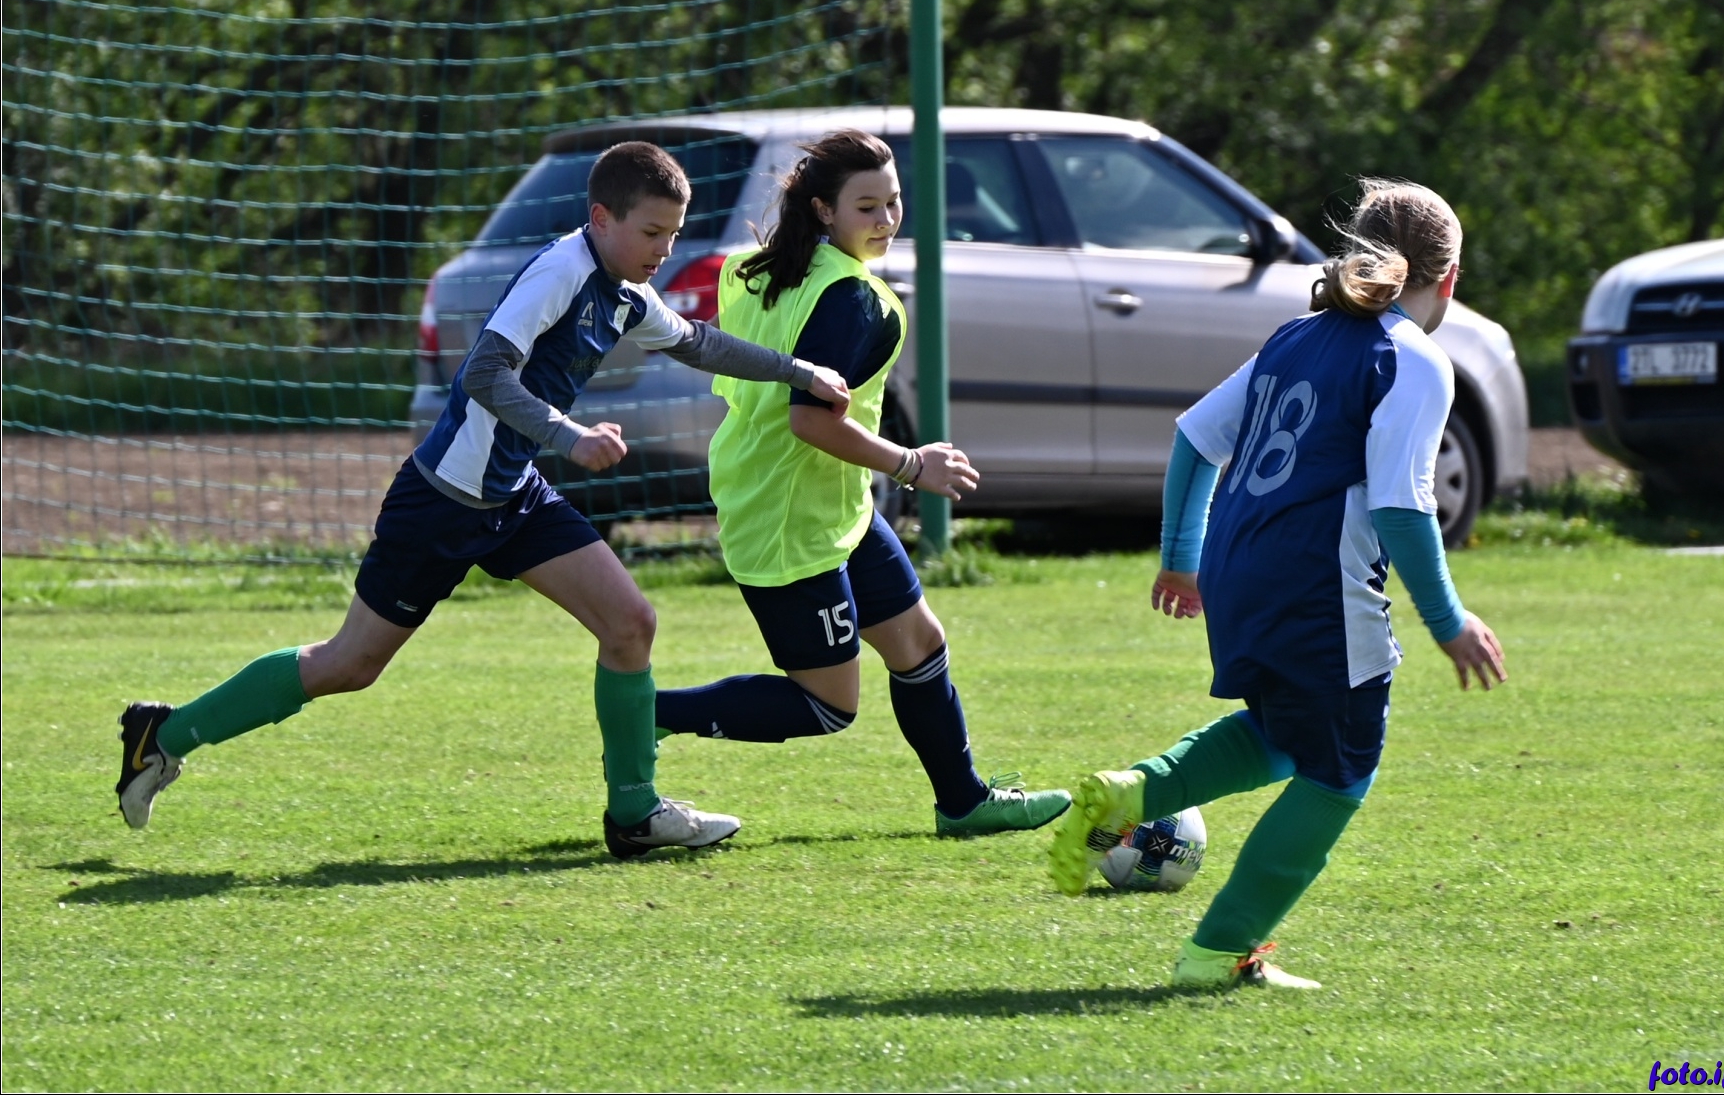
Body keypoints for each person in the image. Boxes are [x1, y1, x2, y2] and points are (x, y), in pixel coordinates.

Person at [116, 141, 853, 860]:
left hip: (514, 496)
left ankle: (635, 813)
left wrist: (799, 371)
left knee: (630, 622)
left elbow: (696, 342)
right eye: (652, 232)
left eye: (675, 234)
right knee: (349, 664)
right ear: (602, 219)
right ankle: (163, 735)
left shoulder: (626, 290)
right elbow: (484, 374)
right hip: (443, 502)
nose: (664, 250)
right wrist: (568, 436)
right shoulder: (561, 272)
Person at [1045, 179, 1508, 989]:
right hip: (1315, 582)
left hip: (1237, 566)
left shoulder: (1296, 336)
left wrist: (1181, 556)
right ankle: (1220, 952)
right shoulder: (1413, 359)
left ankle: (1132, 794)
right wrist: (1448, 620)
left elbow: (1195, 438)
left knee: (1287, 733)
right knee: (1341, 771)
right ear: (1450, 278)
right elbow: (1402, 507)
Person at [652, 129, 1070, 837]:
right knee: (828, 705)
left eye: (893, 202)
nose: (886, 220)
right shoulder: (853, 299)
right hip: (790, 516)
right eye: (867, 207)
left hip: (829, 502)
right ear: (824, 210)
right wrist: (912, 464)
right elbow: (809, 422)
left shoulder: (756, 268)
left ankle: (964, 802)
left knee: (920, 643)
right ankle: (647, 712)